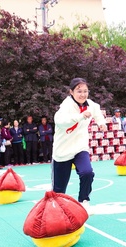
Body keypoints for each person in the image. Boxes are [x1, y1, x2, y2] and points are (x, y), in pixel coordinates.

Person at [52, 78, 107, 215]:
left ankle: (84, 201)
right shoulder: (66, 106)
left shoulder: (91, 105)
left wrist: (101, 123)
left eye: (85, 91)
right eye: (79, 91)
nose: (82, 94)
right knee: (59, 189)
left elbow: (97, 112)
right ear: (71, 92)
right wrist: (80, 116)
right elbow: (60, 122)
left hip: (80, 147)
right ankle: (57, 210)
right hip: (62, 151)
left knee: (87, 172)